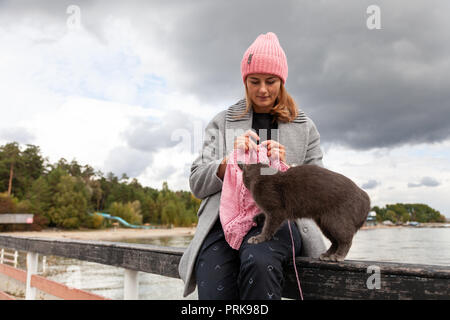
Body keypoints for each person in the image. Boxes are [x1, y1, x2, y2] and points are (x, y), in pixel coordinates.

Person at [178, 32, 326, 300]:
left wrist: (289, 170)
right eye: (253, 81)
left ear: (282, 81)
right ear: (244, 81)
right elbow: (196, 182)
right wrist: (227, 162)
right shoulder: (222, 122)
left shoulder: (305, 126)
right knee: (212, 281)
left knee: (259, 262)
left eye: (271, 81)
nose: (262, 89)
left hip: (277, 220)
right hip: (224, 224)